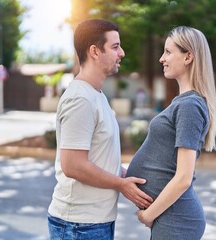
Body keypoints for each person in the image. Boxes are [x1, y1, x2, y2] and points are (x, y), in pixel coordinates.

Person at [47, 19, 153, 240]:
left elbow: (100, 158)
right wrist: (121, 184)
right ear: (95, 51)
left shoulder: (96, 95)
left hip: (93, 223)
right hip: (78, 225)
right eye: (115, 47)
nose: (121, 52)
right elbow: (73, 165)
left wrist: (132, 178)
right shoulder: (80, 99)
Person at [126, 26, 216, 240]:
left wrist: (148, 215)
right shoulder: (183, 103)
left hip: (177, 220)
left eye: (168, 52)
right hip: (172, 218)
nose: (161, 59)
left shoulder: (189, 106)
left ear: (188, 57)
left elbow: (184, 177)